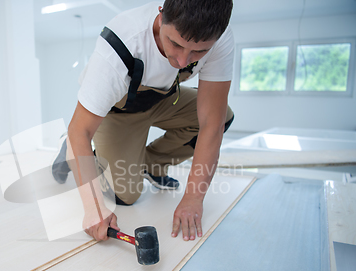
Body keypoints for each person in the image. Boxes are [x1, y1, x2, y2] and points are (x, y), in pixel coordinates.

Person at [52, 0, 235, 242]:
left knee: (224, 118)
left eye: (198, 52)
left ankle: (151, 164)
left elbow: (212, 125)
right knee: (126, 195)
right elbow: (80, 130)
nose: (182, 61)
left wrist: (193, 198)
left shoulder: (219, 40)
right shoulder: (121, 44)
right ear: (161, 17)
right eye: (175, 44)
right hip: (116, 111)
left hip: (164, 99)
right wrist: (94, 207)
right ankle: (70, 151)